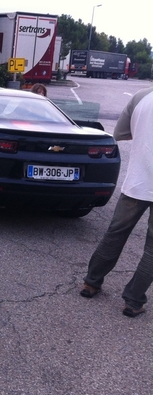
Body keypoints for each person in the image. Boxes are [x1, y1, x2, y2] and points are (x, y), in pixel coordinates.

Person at [80, 86, 153, 318]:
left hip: (137, 182)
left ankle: (91, 283)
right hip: (139, 183)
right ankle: (133, 301)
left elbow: (120, 133)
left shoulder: (143, 96)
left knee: (115, 234)